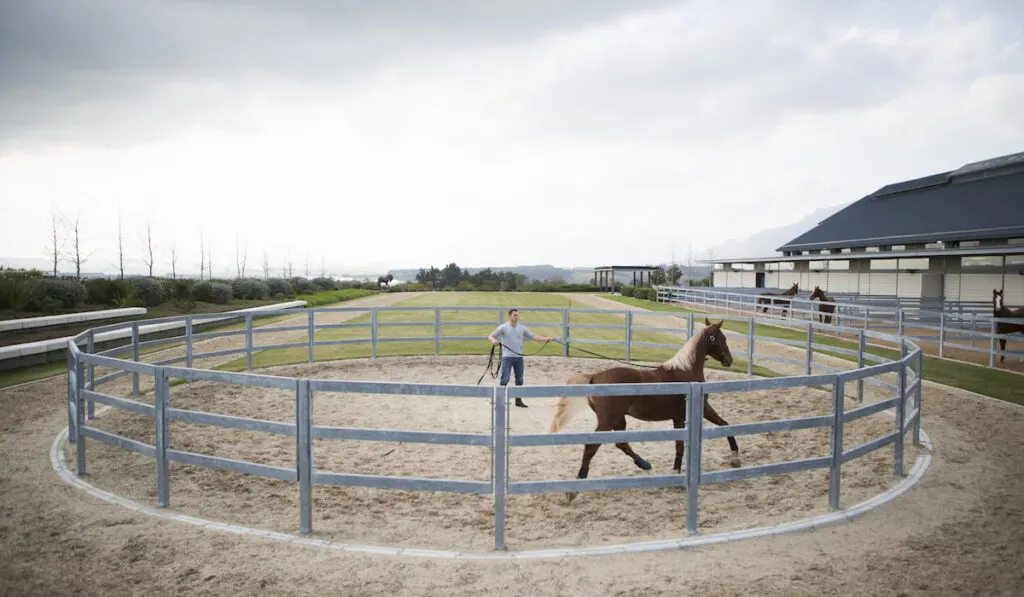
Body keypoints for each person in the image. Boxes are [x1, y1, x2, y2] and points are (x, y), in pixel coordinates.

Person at [488, 308, 555, 408]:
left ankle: (518, 400)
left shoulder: (522, 328)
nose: (516, 317)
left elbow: (533, 337)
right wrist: (493, 341)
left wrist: (546, 339)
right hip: (507, 357)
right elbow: (491, 336)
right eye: (515, 315)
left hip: (518, 357)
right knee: (504, 379)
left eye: (517, 315)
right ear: (510, 315)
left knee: (519, 379)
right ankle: (500, 400)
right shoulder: (503, 327)